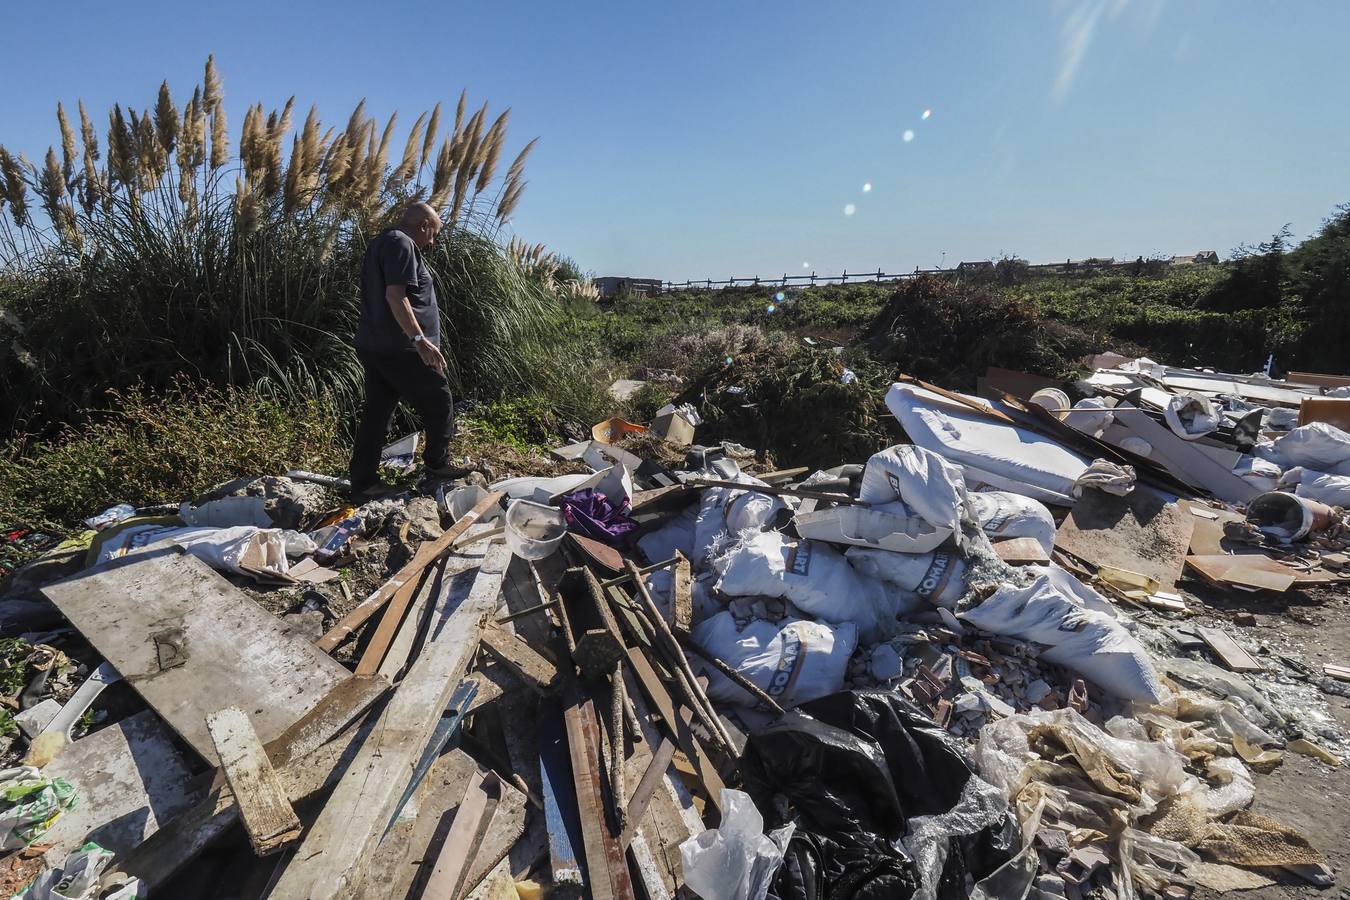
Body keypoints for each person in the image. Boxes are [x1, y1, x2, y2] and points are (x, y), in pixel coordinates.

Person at [348, 202, 464, 499]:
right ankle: (438, 464)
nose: (432, 241)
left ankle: (364, 483)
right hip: (400, 347)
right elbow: (395, 296)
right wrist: (419, 340)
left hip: (376, 345)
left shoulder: (381, 242)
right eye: (433, 233)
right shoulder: (402, 243)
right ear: (423, 224)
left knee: (377, 414)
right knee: (439, 401)